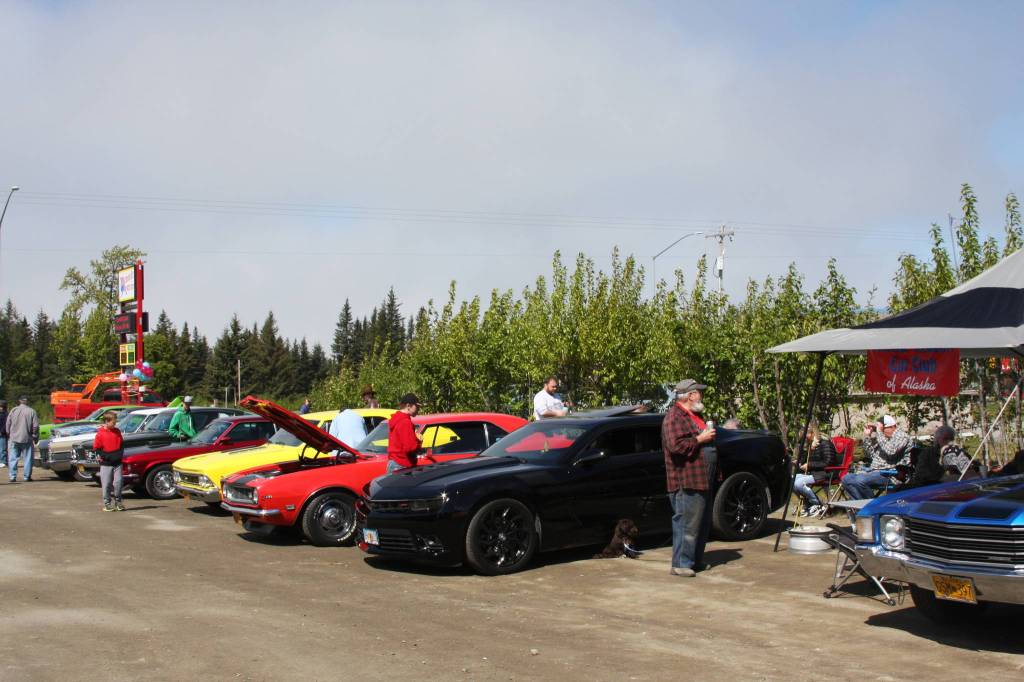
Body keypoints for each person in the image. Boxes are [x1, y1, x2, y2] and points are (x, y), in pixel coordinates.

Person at [662, 379, 716, 577]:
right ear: (690, 395)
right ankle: (681, 564)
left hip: (702, 478)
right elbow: (676, 446)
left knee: (701, 523)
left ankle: (694, 561)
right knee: (687, 523)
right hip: (686, 479)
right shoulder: (674, 417)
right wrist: (700, 439)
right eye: (699, 392)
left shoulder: (695, 415)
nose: (701, 395)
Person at [841, 415, 912, 499]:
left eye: (882, 429)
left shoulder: (901, 436)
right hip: (875, 472)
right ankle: (862, 507)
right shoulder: (884, 438)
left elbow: (891, 451)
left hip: (891, 474)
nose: (881, 432)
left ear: (892, 426)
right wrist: (868, 436)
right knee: (846, 479)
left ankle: (872, 506)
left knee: (860, 481)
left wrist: (879, 432)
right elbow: (871, 455)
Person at [792, 424, 837, 516]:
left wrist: (809, 465)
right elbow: (805, 460)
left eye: (805, 435)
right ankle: (807, 504)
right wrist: (799, 461)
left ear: (812, 434)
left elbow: (828, 462)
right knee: (791, 480)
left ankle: (817, 504)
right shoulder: (811, 445)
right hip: (814, 473)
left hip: (826, 473)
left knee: (798, 483)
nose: (804, 438)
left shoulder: (826, 444)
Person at [93, 412, 125, 511]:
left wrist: (119, 455)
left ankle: (118, 502)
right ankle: (107, 503)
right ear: (107, 422)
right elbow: (97, 448)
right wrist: (107, 456)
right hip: (106, 463)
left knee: (118, 482)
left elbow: (121, 445)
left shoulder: (117, 431)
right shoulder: (100, 433)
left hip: (117, 463)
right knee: (106, 484)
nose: (115, 424)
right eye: (113, 422)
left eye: (115, 422)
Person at [386, 393, 422, 473]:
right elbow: (410, 447)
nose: (419, 409)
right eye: (417, 406)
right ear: (408, 406)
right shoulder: (405, 422)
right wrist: (419, 441)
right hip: (402, 464)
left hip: (394, 463)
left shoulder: (397, 420)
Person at [5, 396, 39, 483]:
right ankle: (26, 477)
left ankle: (12, 476)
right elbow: (35, 426)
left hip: (13, 438)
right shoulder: (32, 411)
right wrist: (35, 436)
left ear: (19, 401)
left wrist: (8, 433)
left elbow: (8, 423)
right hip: (26, 438)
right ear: (26, 402)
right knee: (27, 458)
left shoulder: (13, 410)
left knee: (12, 458)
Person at [0, 399, 8, 470]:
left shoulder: (6, 414)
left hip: (3, 434)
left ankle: (3, 462)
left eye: (1, 406)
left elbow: (6, 425)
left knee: (3, 449)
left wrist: (2, 431)